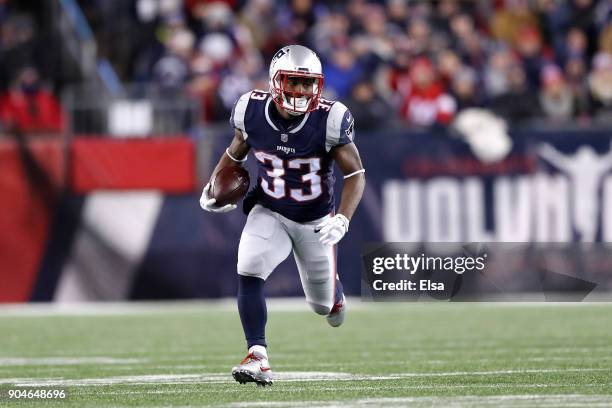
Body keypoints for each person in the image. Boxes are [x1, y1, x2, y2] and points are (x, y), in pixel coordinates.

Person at [199, 45, 365, 386]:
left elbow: (355, 175)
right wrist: (214, 186)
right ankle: (257, 354)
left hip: (316, 222)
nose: (302, 91)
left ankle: (333, 294)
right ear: (276, 81)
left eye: (309, 84)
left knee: (322, 307)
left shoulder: (330, 118)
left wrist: (342, 219)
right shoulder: (251, 110)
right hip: (270, 209)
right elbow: (234, 154)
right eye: (294, 82)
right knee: (248, 265)